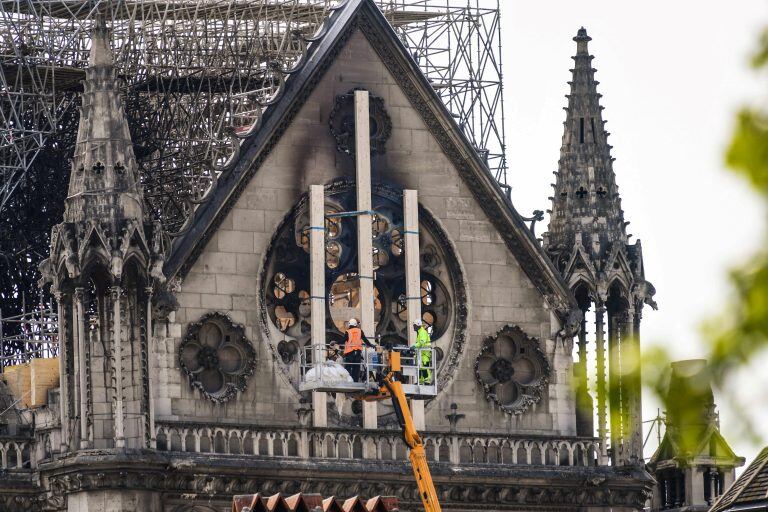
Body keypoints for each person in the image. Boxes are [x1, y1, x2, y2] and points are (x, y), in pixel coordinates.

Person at [343, 318, 375, 382]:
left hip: (350, 353)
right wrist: (371, 345)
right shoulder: (360, 331)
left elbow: (343, 340)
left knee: (348, 367)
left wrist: (335, 342)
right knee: (356, 368)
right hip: (357, 353)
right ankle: (355, 381)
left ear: (349, 325)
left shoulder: (348, 332)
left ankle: (348, 380)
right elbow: (365, 340)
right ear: (356, 324)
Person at [412, 320, 432, 384]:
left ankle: (427, 380)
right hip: (421, 353)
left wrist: (414, 346)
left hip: (424, 353)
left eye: (414, 326)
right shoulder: (419, 332)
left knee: (425, 366)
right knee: (420, 368)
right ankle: (420, 381)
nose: (413, 327)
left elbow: (422, 342)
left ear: (418, 325)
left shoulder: (422, 332)